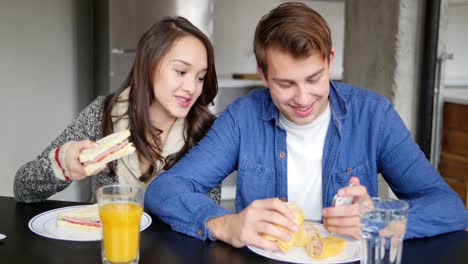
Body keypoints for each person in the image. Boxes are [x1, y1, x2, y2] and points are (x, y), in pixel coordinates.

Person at [144, 2, 468, 250]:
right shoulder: (242, 118)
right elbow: (164, 190)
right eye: (285, 83)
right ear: (263, 74)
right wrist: (223, 223)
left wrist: (381, 220)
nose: (302, 98)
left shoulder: (375, 115)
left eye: (314, 78)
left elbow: (450, 208)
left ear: (329, 61)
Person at [14, 16, 220, 204]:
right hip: (106, 243)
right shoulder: (103, 113)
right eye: (181, 71)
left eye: (200, 77)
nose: (192, 88)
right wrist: (63, 164)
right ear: (150, 65)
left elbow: (209, 216)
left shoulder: (209, 133)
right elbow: (23, 189)